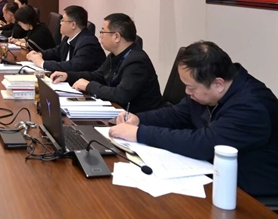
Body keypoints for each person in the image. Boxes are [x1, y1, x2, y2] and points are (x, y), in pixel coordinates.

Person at [110, 41, 278, 200]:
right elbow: (177, 114)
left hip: (249, 192)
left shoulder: (251, 107)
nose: (187, 92)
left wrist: (140, 133)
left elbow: (205, 143)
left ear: (218, 84)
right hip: (216, 176)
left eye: (191, 87)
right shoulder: (209, 91)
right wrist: (139, 119)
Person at [50, 13, 164, 113]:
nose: (100, 36)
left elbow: (121, 95)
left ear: (116, 37)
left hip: (139, 119)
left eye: (103, 32)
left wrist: (89, 86)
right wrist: (68, 76)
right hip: (118, 111)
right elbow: (98, 76)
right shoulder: (115, 55)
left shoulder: (137, 62)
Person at [26, 5, 104, 72]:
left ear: (73, 25)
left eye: (63, 20)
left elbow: (72, 66)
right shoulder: (68, 37)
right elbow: (56, 51)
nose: (60, 23)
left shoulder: (88, 43)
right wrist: (40, 54)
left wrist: (43, 63)